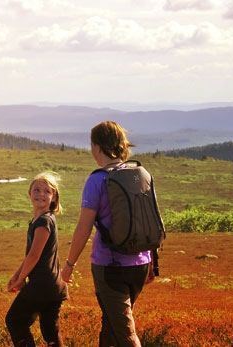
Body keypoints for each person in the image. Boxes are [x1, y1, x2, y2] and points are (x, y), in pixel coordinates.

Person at [60, 121, 156, 347]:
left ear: (97, 147)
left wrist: (69, 264)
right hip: (141, 263)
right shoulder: (140, 174)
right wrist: (152, 260)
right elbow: (148, 219)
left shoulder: (97, 179)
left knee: (125, 334)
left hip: (110, 266)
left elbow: (84, 227)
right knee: (111, 326)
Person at [6, 172, 68, 347]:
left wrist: (20, 279)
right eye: (37, 190)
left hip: (41, 285)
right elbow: (31, 256)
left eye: (47, 191)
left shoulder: (43, 222)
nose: (41, 194)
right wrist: (17, 275)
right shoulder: (43, 219)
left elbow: (34, 255)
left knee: (15, 320)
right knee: (50, 330)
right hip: (53, 286)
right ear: (29, 193)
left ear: (54, 196)